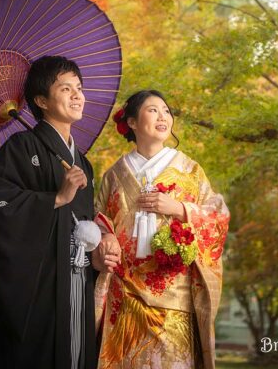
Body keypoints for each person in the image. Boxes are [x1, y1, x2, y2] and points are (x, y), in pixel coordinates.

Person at [0, 55, 120, 369]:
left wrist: (98, 252)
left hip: (77, 279)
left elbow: (83, 224)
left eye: (79, 88)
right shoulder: (20, 148)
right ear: (41, 100)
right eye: (65, 88)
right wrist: (57, 198)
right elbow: (0, 210)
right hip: (37, 287)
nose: (77, 95)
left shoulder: (81, 162)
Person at [95, 90, 230, 369]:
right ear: (131, 122)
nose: (163, 116)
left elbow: (218, 217)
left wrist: (180, 209)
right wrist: (105, 238)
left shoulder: (190, 170)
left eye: (166, 111)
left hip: (173, 296)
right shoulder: (114, 174)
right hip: (125, 294)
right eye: (153, 110)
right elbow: (98, 220)